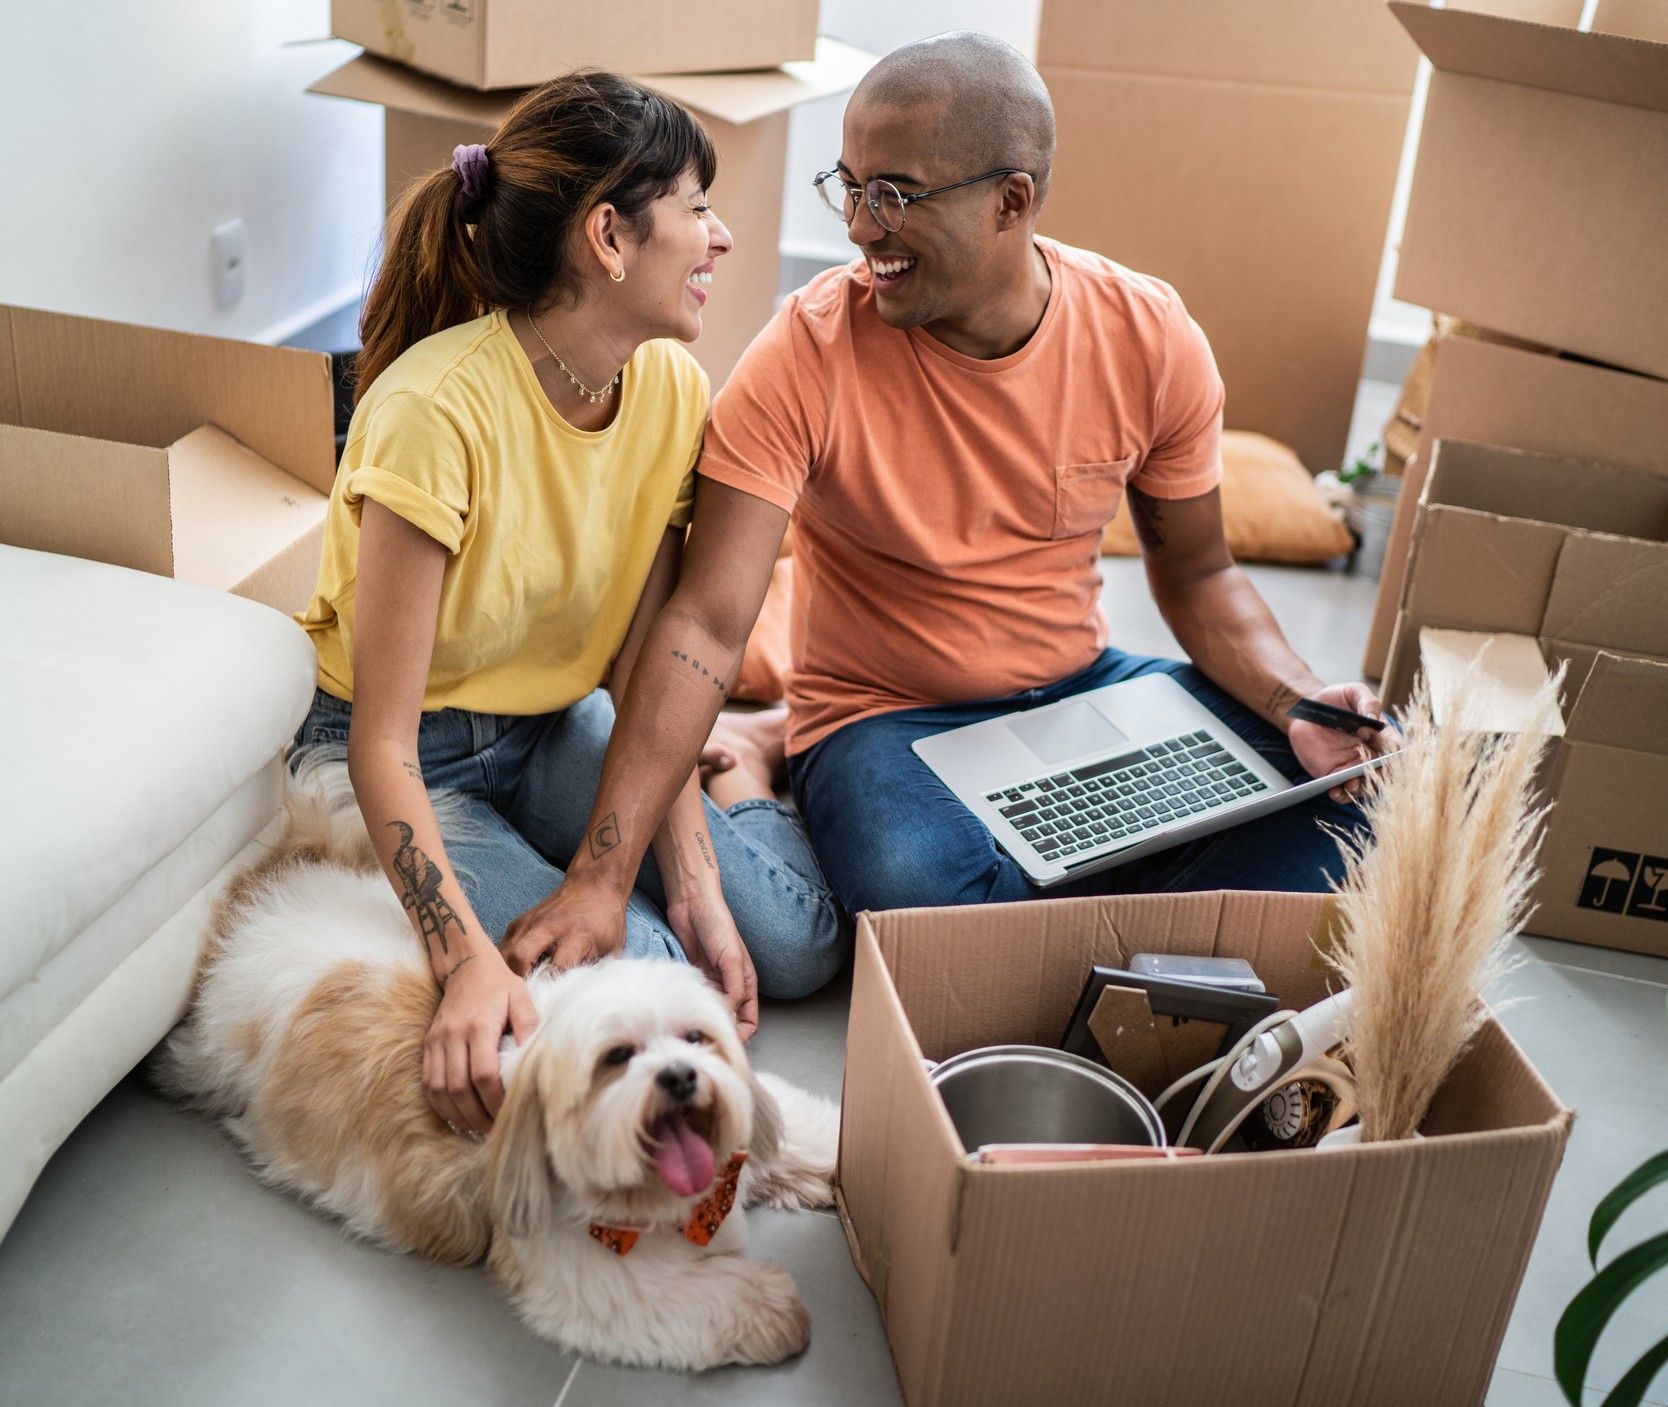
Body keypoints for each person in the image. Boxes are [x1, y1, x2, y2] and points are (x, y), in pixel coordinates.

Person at [501, 33, 1399, 973]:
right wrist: (601, 878)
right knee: (914, 891)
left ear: (1010, 200)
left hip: (1081, 694)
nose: (857, 226)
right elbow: (708, 624)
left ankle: (1055, 938)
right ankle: (1127, 934)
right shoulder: (805, 352)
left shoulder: (1149, 335)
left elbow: (1204, 577)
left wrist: (1296, 700)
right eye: (847, 187)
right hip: (878, 722)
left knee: (1355, 796)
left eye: (892, 194)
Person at [291, 72, 842, 1136]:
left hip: (550, 723)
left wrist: (680, 873)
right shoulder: (431, 411)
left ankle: (751, 766)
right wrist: (459, 963)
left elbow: (646, 666)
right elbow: (381, 742)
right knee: (655, 983)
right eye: (695, 206)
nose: (720, 237)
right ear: (608, 237)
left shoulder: (670, 386)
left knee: (792, 942)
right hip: (409, 759)